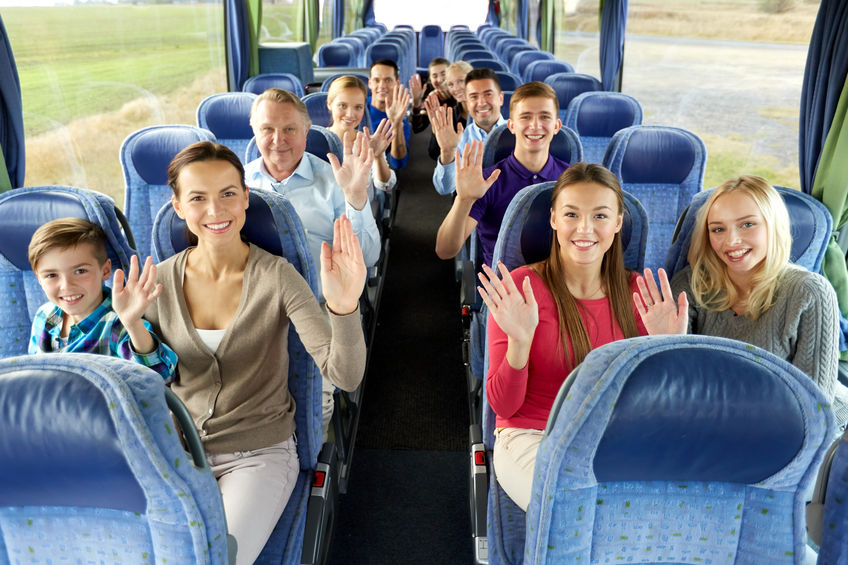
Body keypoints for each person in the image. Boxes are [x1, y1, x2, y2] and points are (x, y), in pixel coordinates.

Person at [145, 141, 367, 565]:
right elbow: (147, 382)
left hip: (259, 456)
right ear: (177, 206)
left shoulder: (280, 276)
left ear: (247, 197)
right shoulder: (155, 283)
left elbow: (345, 375)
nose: (216, 209)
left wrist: (344, 306)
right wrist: (133, 325)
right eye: (198, 197)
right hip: (178, 454)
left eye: (228, 193)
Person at [478, 163, 647, 512]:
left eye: (600, 216)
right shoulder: (520, 290)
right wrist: (520, 341)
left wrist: (666, 348)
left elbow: (650, 408)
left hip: (612, 438)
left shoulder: (640, 296)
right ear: (554, 219)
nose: (585, 228)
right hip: (532, 437)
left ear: (618, 223)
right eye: (572, 214)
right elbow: (503, 407)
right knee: (578, 511)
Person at [634, 175, 848, 423]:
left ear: (773, 226)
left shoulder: (810, 292)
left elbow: (812, 408)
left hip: (792, 428)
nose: (731, 241)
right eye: (718, 229)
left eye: (747, 224)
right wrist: (669, 346)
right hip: (710, 420)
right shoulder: (690, 286)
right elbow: (675, 395)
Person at [244, 88, 381, 275]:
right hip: (256, 299)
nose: (278, 140)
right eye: (267, 129)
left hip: (321, 300)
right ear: (254, 130)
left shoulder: (336, 182)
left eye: (289, 129)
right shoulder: (238, 184)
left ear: (306, 131)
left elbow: (368, 257)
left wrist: (355, 197)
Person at [435, 81, 569, 267]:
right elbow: (445, 250)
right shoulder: (487, 181)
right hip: (503, 289)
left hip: (559, 285)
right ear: (511, 126)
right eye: (526, 117)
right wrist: (463, 199)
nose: (535, 125)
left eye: (545, 117)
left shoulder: (572, 180)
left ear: (556, 125)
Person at [27, 217, 176, 382]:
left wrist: (133, 323)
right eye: (51, 275)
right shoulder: (44, 315)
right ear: (39, 279)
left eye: (80, 271)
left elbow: (162, 377)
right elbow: (33, 376)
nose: (66, 285)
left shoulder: (117, 324)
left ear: (105, 270)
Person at [429, 67, 507, 196]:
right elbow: (444, 188)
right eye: (474, 97)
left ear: (501, 98)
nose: (481, 103)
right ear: (467, 101)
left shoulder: (520, 133)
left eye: (488, 94)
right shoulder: (459, 139)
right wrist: (447, 152)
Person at [326, 75, 396, 206]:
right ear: (329, 104)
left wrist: (378, 156)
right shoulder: (314, 140)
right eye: (342, 105)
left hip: (359, 213)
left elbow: (385, 185)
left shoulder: (368, 141)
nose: (350, 114)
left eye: (358, 107)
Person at [422, 60, 472, 162]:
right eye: (450, 84)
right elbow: (434, 154)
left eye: (461, 81)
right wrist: (436, 129)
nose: (456, 88)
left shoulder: (486, 111)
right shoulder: (450, 115)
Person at [367, 59, 411, 169]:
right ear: (370, 83)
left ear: (397, 82)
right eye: (376, 80)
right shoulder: (357, 108)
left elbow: (398, 163)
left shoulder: (402, 123)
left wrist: (396, 124)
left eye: (388, 80)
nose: (382, 86)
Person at [410, 57, 453, 137]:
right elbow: (417, 128)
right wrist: (416, 103)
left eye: (443, 74)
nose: (440, 79)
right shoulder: (432, 98)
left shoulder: (459, 95)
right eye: (434, 76)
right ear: (430, 79)